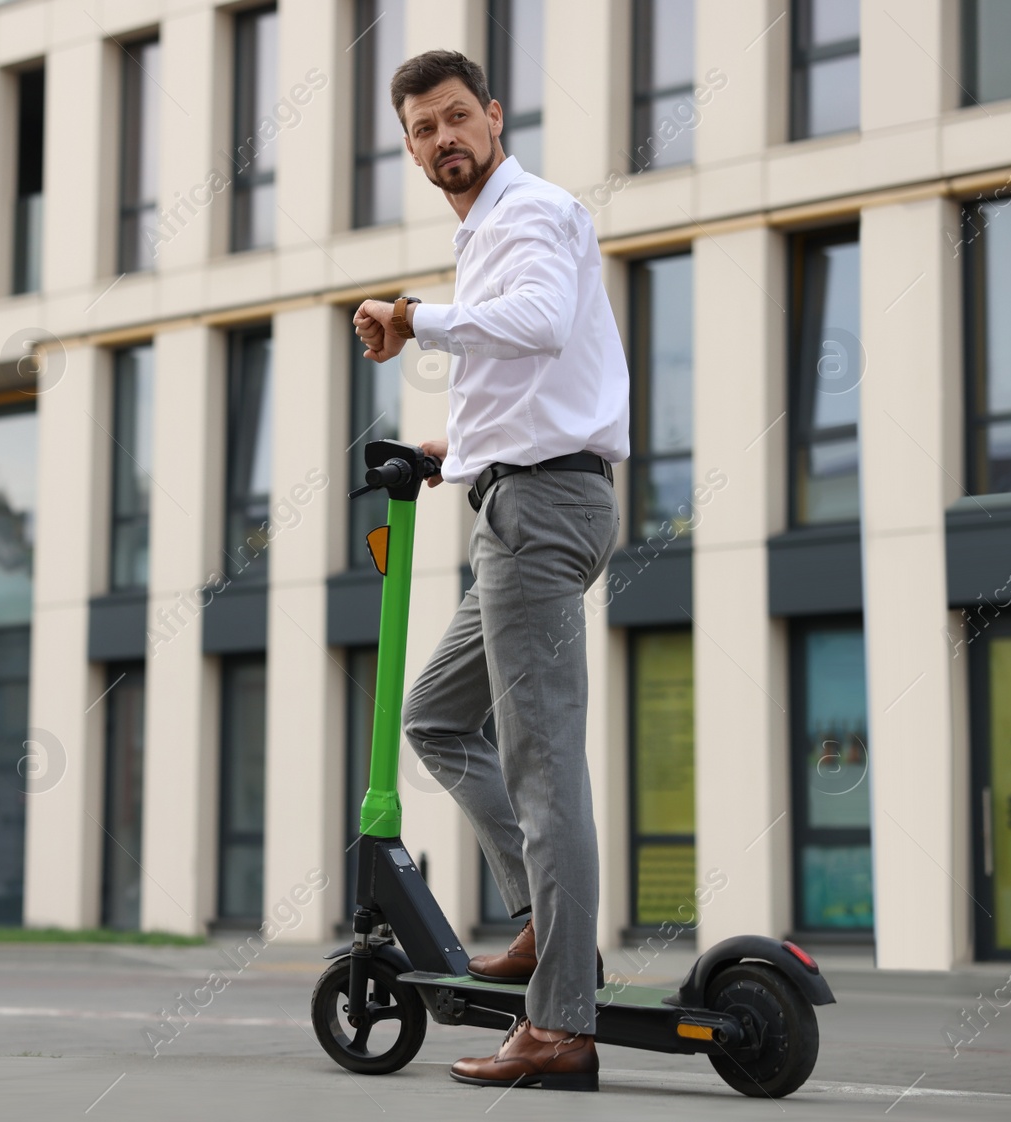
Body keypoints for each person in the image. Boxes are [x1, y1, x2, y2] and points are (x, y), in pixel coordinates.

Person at [352, 49, 628, 1092]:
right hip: (521, 496)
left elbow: (538, 326)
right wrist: (443, 457)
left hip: (542, 510)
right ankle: (541, 929)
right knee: (433, 715)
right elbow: (532, 385)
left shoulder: (527, 213)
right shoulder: (492, 231)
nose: (442, 141)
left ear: (495, 117)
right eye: (422, 130)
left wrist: (416, 315)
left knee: (543, 770)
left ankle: (561, 1023)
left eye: (456, 119)